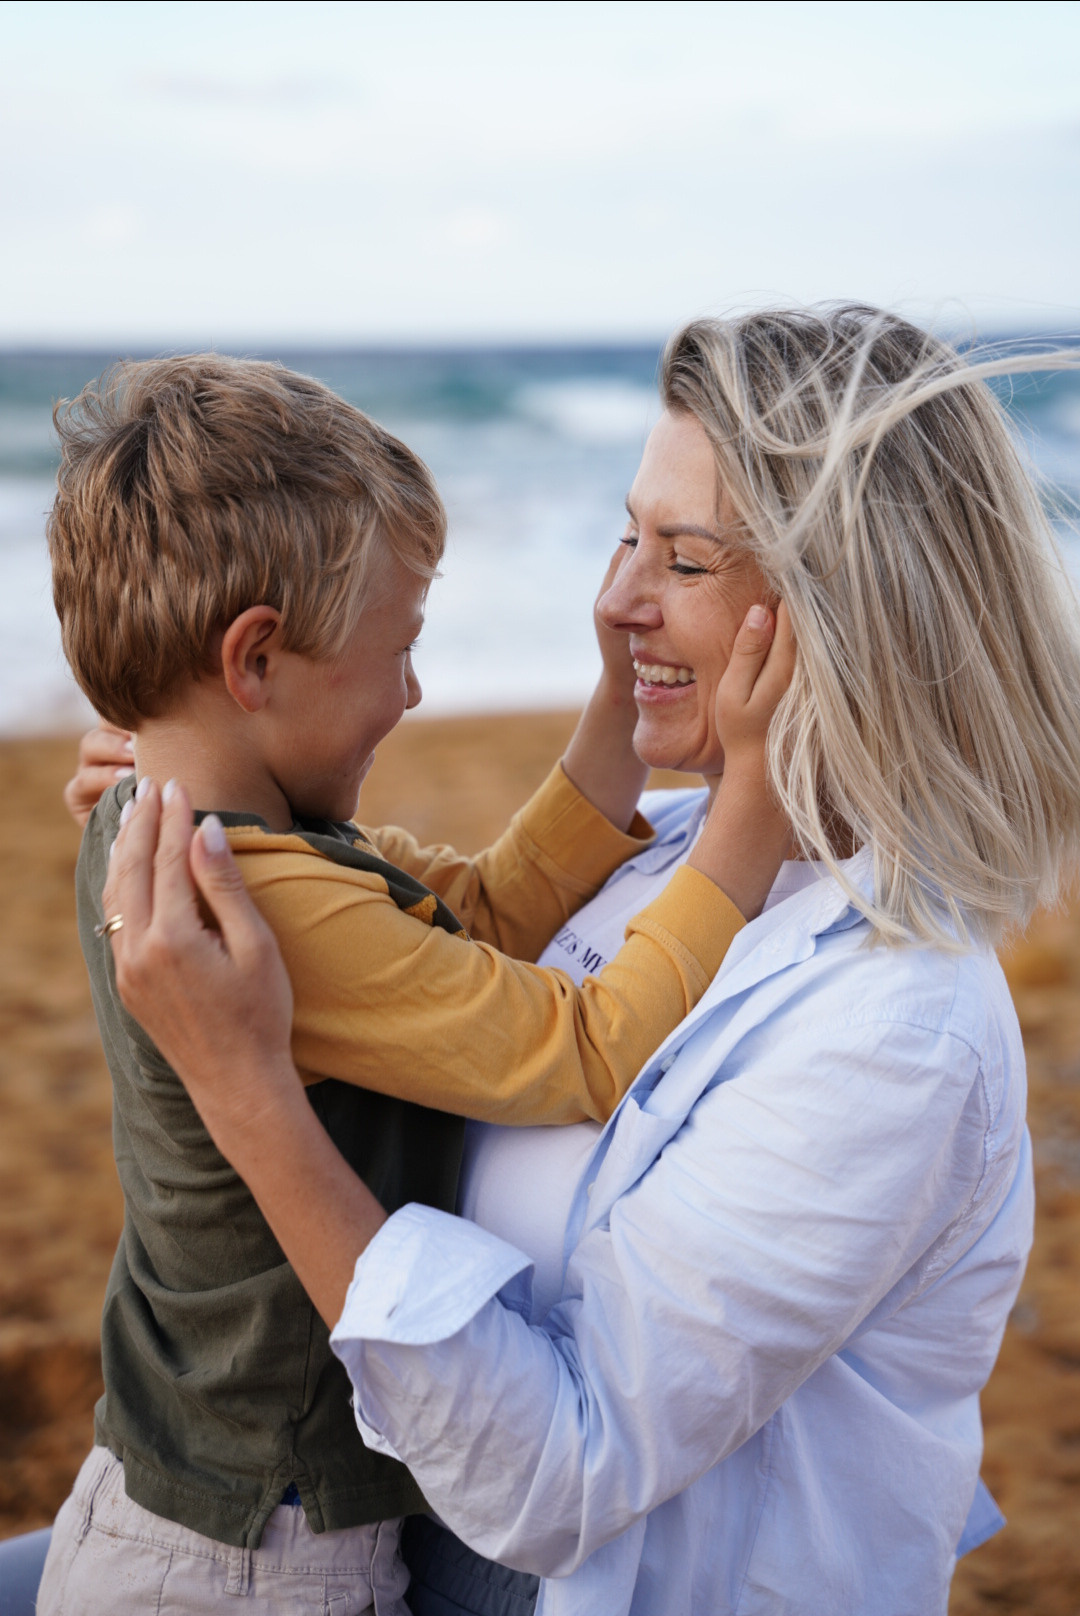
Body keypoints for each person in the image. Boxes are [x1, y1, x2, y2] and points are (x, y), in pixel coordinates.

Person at [99, 305, 1080, 1616]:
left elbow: (558, 1476)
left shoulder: (892, 1029)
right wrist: (192, 765)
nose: (615, 601)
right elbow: (466, 918)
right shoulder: (665, 849)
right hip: (359, 1539)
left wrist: (247, 1095)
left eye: (683, 558)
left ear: (839, 611)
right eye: (626, 537)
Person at [35, 353, 793, 1616]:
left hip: (178, 1496)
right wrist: (749, 809)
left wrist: (621, 694)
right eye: (399, 650)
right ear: (255, 659)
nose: (417, 693)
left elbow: (481, 911)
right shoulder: (261, 898)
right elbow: (584, 1047)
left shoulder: (183, 821)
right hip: (256, 1554)